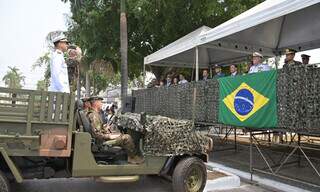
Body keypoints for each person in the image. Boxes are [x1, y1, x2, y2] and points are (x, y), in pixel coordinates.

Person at [87, 96, 144, 164]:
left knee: (119, 134)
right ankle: (133, 157)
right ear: (95, 103)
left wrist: (105, 129)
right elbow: (96, 134)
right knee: (127, 138)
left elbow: (98, 130)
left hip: (101, 140)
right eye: (100, 102)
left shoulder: (94, 114)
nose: (102, 104)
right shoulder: (94, 115)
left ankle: (128, 156)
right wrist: (109, 136)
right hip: (101, 143)